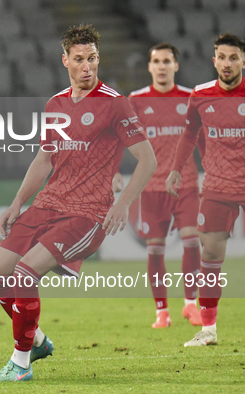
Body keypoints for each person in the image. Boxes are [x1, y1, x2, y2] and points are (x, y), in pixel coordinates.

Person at [0, 25, 157, 382]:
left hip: (87, 213)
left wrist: (123, 203)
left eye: (92, 58)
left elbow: (148, 160)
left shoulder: (114, 103)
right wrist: (18, 202)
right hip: (48, 203)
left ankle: (20, 366)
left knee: (25, 273)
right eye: (79, 60)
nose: (87, 67)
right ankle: (38, 341)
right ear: (65, 60)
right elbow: (44, 160)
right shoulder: (56, 104)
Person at [166, 33, 245, 347]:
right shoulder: (200, 94)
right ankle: (209, 330)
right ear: (214, 60)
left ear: (243, 61)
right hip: (217, 185)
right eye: (221, 57)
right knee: (210, 256)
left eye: (233, 57)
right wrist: (175, 169)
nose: (226, 63)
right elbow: (188, 135)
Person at [121, 43, 205, 328]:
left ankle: (190, 304)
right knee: (155, 249)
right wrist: (112, 171)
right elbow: (121, 138)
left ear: (175, 66)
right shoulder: (137, 100)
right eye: (156, 61)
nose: (161, 66)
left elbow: (202, 140)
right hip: (152, 187)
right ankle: (162, 312)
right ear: (149, 67)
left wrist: (214, 171)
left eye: (167, 61)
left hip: (186, 183)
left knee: (192, 240)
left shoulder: (190, 98)